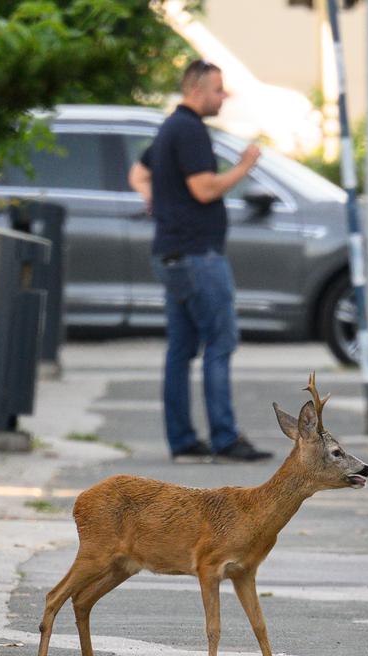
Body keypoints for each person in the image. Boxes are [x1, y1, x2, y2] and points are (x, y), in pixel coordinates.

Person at [128, 60, 271, 463]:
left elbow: (137, 173)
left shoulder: (170, 128)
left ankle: (184, 442)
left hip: (173, 252)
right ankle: (225, 438)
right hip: (196, 255)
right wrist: (245, 166)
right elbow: (204, 189)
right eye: (218, 89)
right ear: (195, 90)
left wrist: (155, 199)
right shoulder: (189, 130)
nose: (223, 97)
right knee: (220, 343)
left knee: (181, 348)